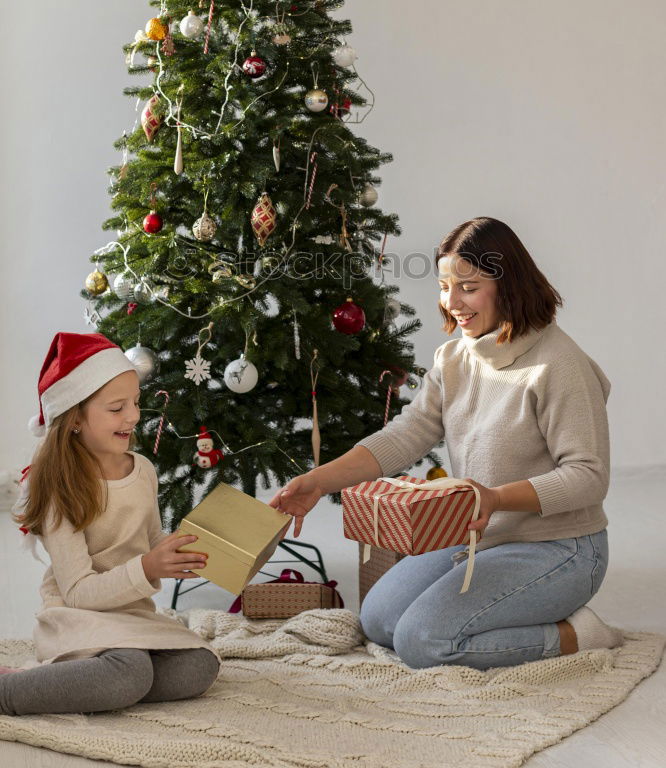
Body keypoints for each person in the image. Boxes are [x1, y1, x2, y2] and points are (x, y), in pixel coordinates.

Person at [269, 217, 624, 670]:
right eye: (444, 286)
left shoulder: (560, 365)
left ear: (508, 285)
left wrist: (495, 498)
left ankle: (577, 634)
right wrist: (319, 482)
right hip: (480, 537)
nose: (452, 302)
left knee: (423, 643)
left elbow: (588, 477)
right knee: (378, 621)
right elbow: (407, 434)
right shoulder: (455, 356)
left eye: (469, 287)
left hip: (561, 548)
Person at [0, 332, 220, 716]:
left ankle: (104, 680)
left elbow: (151, 539)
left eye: (135, 403)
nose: (133, 417)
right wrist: (148, 567)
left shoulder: (143, 470)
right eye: (117, 408)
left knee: (200, 665)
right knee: (129, 674)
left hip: (131, 615)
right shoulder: (59, 486)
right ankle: (9, 690)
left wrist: (182, 551)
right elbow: (79, 592)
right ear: (74, 419)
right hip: (79, 615)